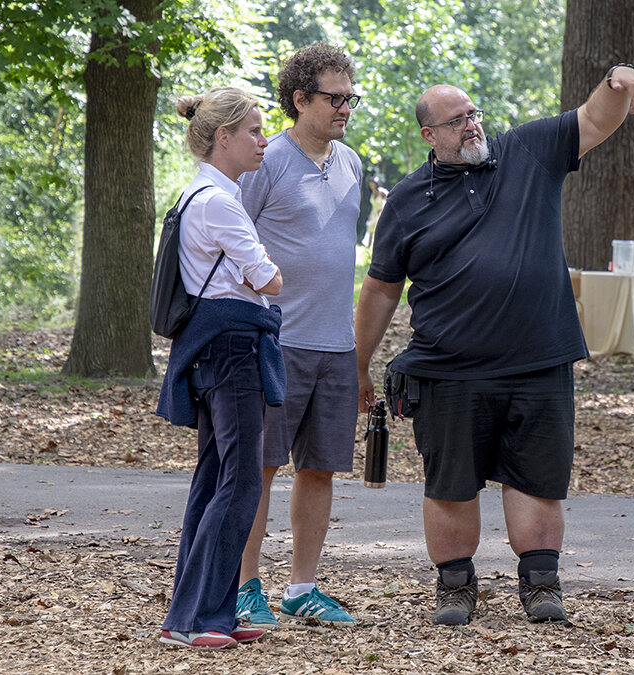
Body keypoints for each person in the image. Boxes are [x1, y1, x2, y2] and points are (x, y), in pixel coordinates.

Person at [354, 64, 634, 626]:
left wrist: (614, 80)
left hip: (538, 358)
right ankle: (456, 588)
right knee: (451, 483)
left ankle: (540, 584)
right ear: (429, 135)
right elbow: (381, 289)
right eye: (456, 119)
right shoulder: (408, 201)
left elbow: (593, 119)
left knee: (537, 477)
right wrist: (359, 364)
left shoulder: (526, 152)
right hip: (447, 367)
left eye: (473, 114)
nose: (470, 125)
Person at [235, 43, 363, 629]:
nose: (345, 108)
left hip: (337, 344)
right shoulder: (268, 160)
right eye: (334, 98)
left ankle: (302, 587)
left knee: (320, 469)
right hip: (275, 341)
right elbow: (231, 245)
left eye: (350, 97)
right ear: (299, 99)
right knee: (259, 466)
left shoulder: (352, 163)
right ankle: (243, 587)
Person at [155, 87, 284, 648]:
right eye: (254, 130)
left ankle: (204, 613)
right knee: (240, 482)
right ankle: (197, 619)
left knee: (215, 479)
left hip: (217, 347)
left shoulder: (200, 195)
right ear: (223, 137)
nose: (263, 140)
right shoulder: (216, 201)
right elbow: (270, 280)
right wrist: (271, 273)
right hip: (231, 349)